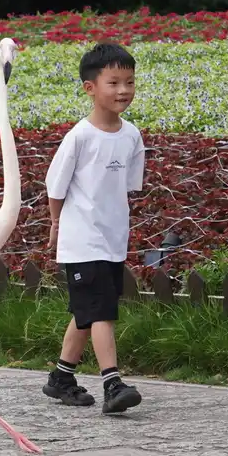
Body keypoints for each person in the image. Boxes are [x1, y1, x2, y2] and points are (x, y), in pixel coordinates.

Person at [41, 42, 145, 415]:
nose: (123, 90)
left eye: (129, 82)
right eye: (113, 82)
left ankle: (61, 378)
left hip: (112, 238)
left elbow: (127, 187)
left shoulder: (132, 136)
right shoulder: (80, 137)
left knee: (88, 312)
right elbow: (56, 187)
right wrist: (57, 224)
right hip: (83, 239)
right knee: (101, 311)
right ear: (90, 88)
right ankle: (112, 383)